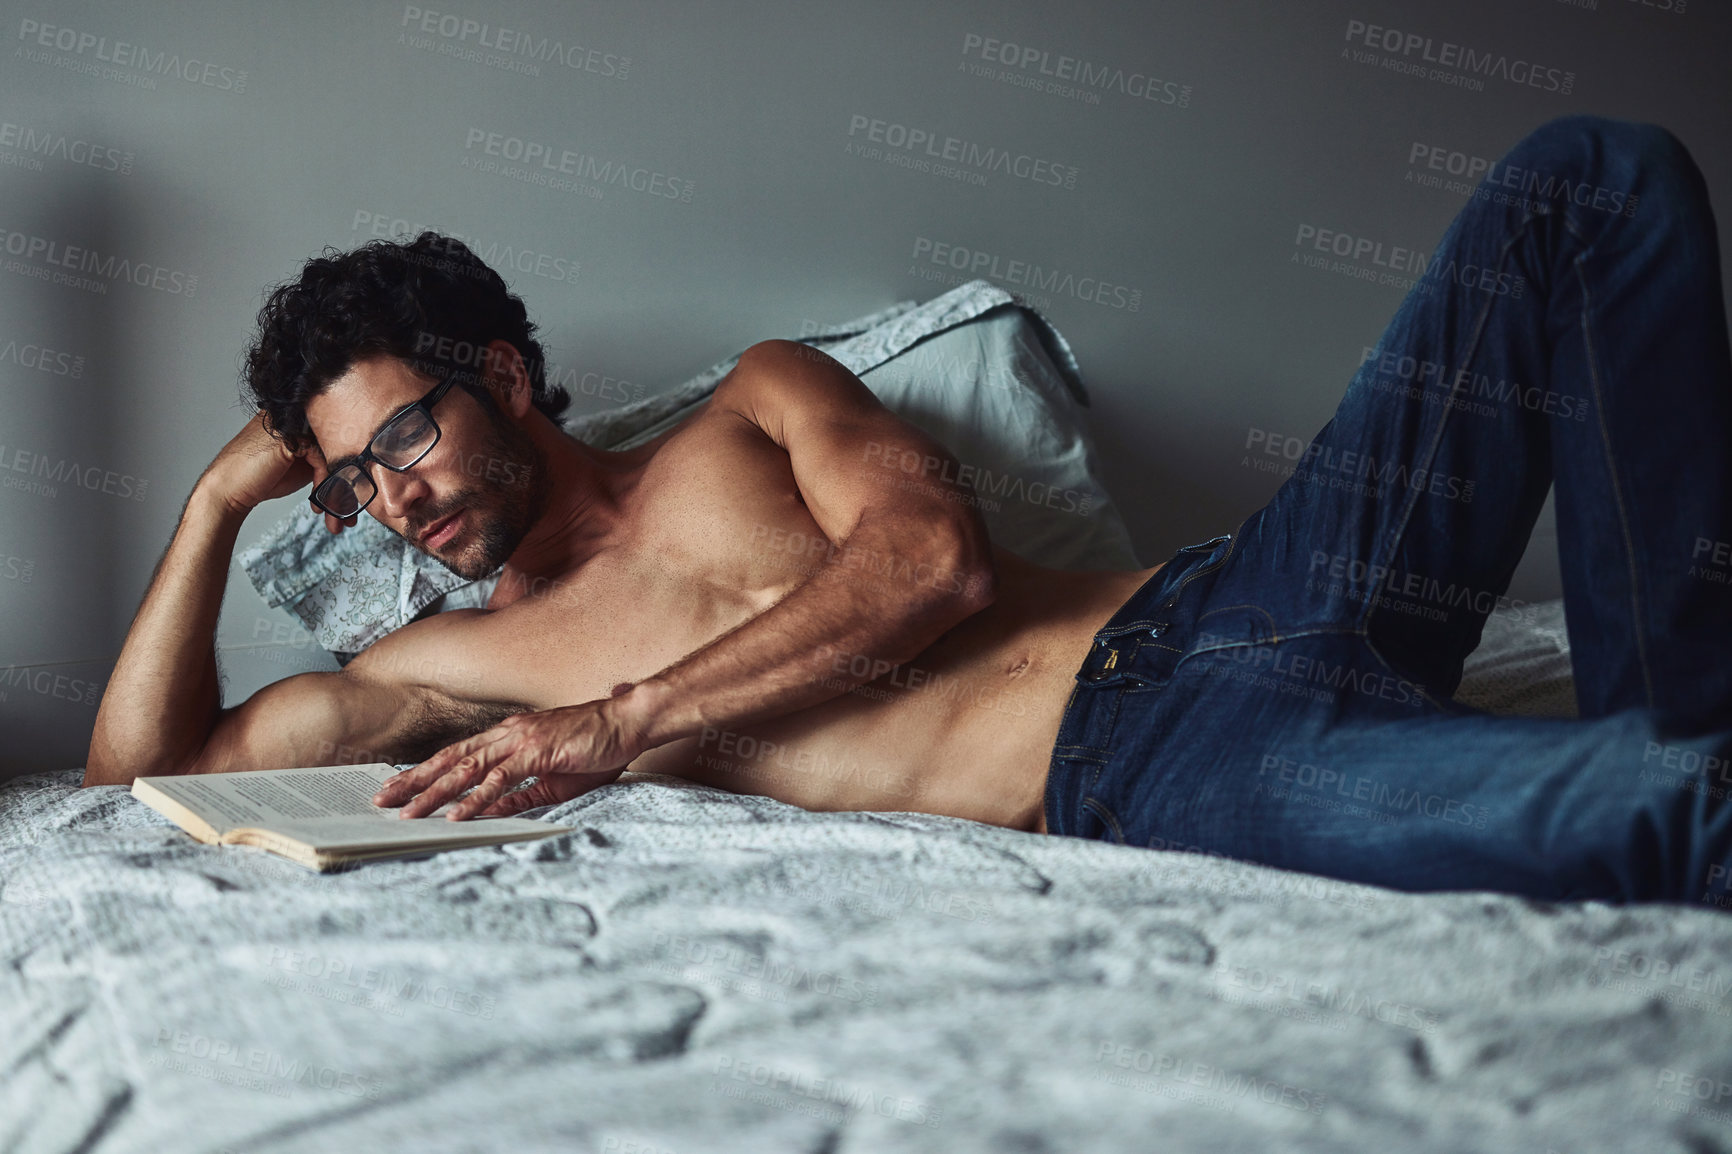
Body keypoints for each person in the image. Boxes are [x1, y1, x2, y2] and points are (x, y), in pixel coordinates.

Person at [86, 115, 1732, 906]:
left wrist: (621, 723)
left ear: (503, 375)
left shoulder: (762, 396)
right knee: (1671, 808)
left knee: (1593, 184)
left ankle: (1684, 674)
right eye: (357, 479)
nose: (396, 496)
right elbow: (134, 779)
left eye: (409, 435)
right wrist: (220, 502)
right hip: (1151, 770)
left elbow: (933, 563)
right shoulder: (456, 672)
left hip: (1239, 595)